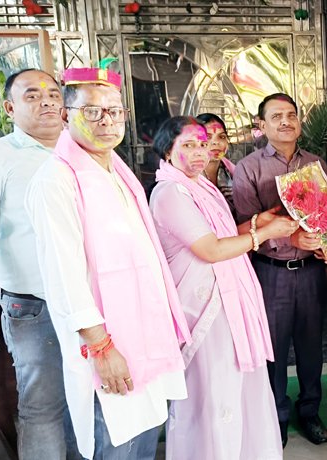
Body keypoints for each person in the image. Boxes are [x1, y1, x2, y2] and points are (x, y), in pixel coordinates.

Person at [24, 67, 190, 459]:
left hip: (142, 337)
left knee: (143, 439)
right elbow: (65, 276)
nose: (107, 121)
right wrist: (102, 347)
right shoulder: (56, 180)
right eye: (92, 111)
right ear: (66, 115)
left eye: (115, 111)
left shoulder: (117, 169)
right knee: (117, 440)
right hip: (108, 346)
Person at [149, 116, 297, 459]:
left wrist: (258, 222)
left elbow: (225, 235)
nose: (199, 152)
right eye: (188, 145)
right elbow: (212, 250)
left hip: (229, 306)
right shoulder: (170, 192)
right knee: (214, 395)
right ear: (167, 151)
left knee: (239, 389)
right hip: (204, 311)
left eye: (202, 145)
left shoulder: (201, 185)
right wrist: (265, 234)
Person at [0, 68, 82, 459]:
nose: (46, 101)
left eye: (53, 94)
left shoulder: (82, 151)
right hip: (34, 304)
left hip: (88, 303)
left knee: (88, 399)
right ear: (10, 107)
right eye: (31, 95)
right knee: (43, 403)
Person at [232, 92, 327, 448]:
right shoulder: (248, 168)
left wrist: (322, 240)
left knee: (311, 347)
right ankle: (277, 416)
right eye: (276, 116)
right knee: (272, 349)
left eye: (291, 115)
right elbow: (247, 224)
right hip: (271, 272)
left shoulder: (316, 164)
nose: (285, 122)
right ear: (262, 125)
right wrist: (289, 238)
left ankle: (310, 411)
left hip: (311, 271)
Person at [197, 113, 236, 201]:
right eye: (207, 137)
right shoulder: (188, 179)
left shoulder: (235, 174)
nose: (216, 142)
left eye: (222, 137)